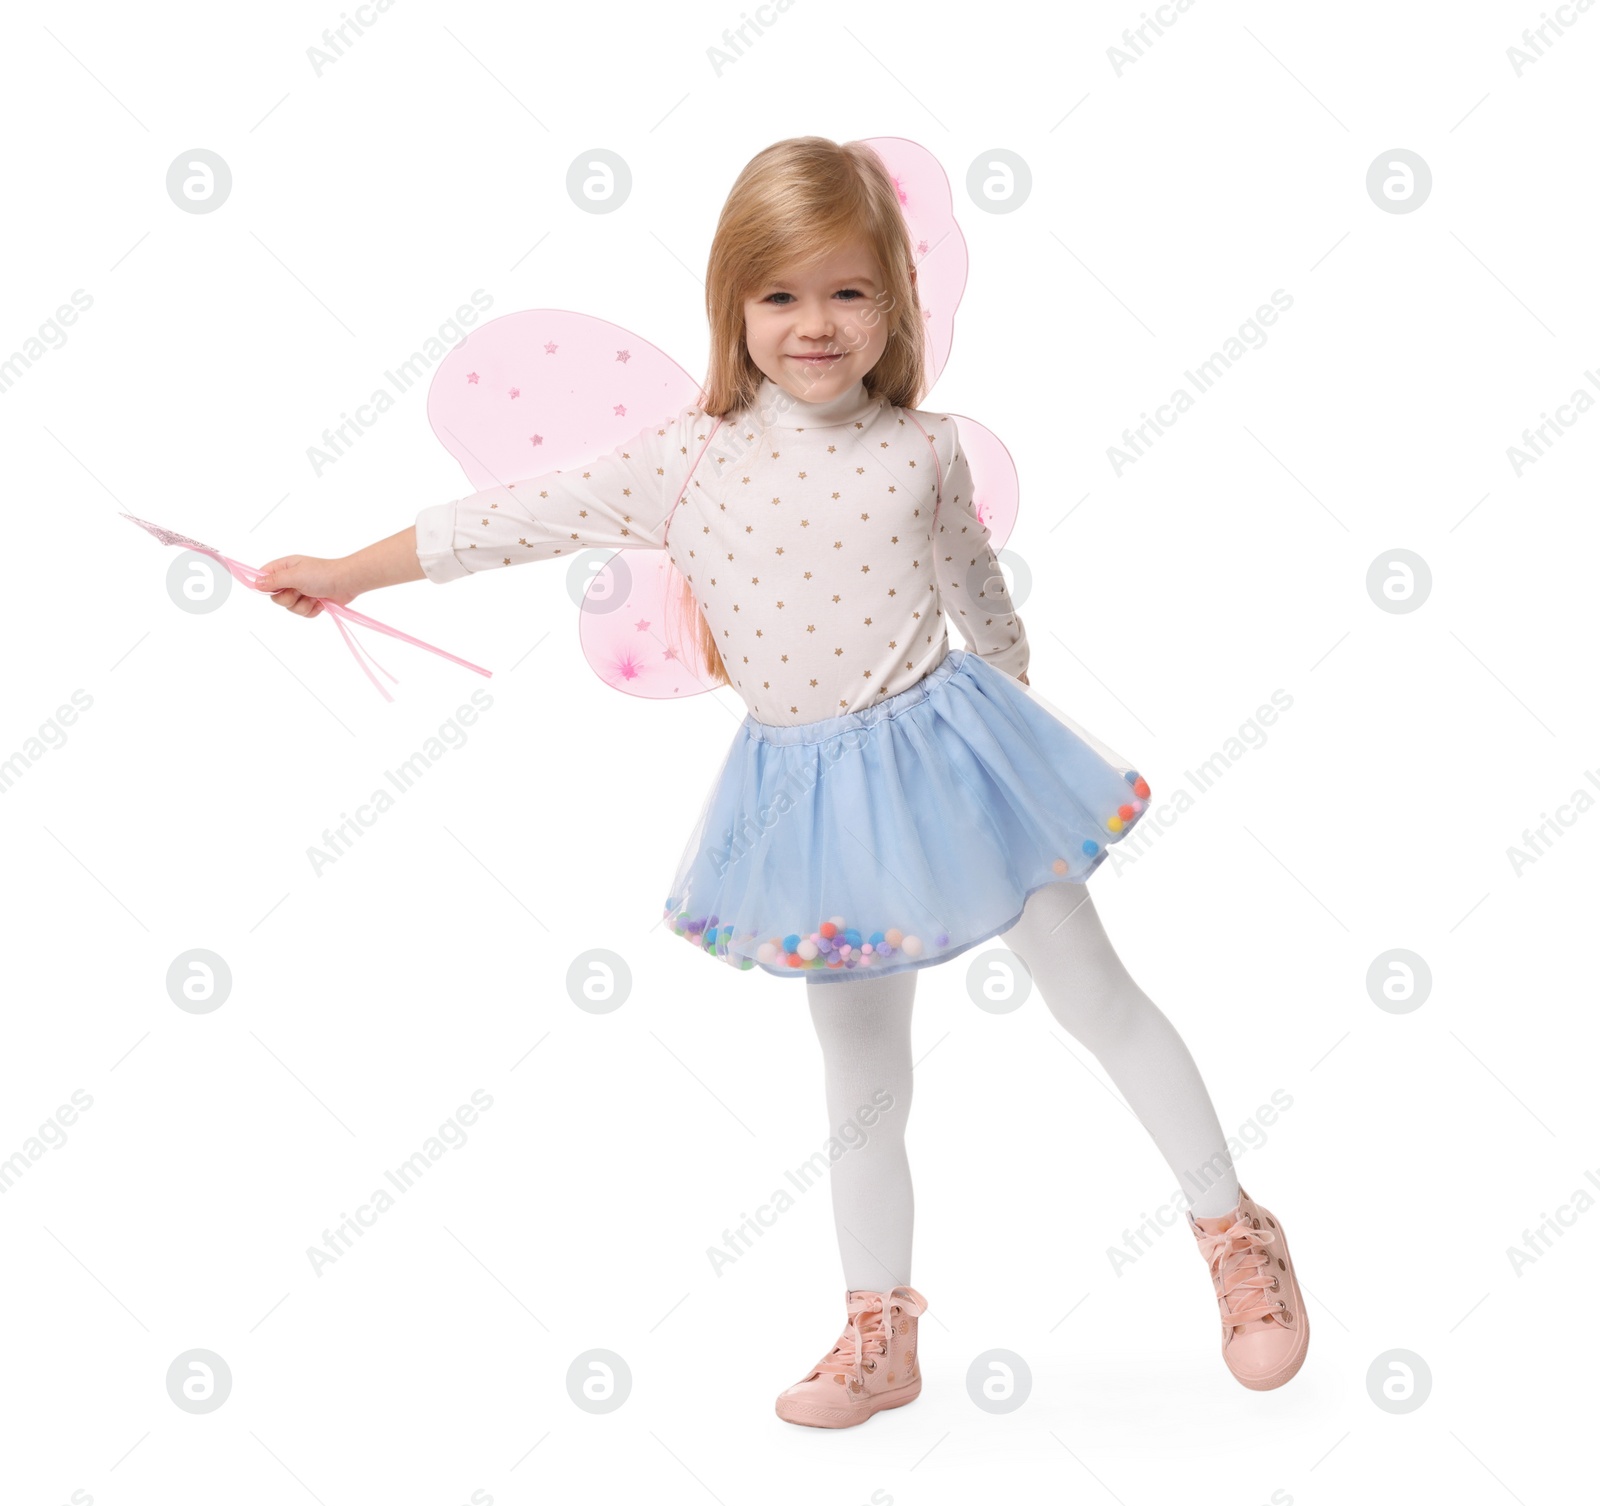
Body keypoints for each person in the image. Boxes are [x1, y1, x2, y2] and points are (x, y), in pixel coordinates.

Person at [251, 135, 1309, 1427]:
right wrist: (344, 574)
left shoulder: (923, 450)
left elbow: (982, 596)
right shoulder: (686, 459)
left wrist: (1018, 737)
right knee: (863, 1081)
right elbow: (502, 521)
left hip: (959, 756)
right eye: (782, 295)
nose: (817, 324)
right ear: (734, 305)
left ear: (894, 306)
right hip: (810, 804)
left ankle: (1234, 1232)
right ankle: (881, 1335)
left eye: (850, 291)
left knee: (1097, 1001)